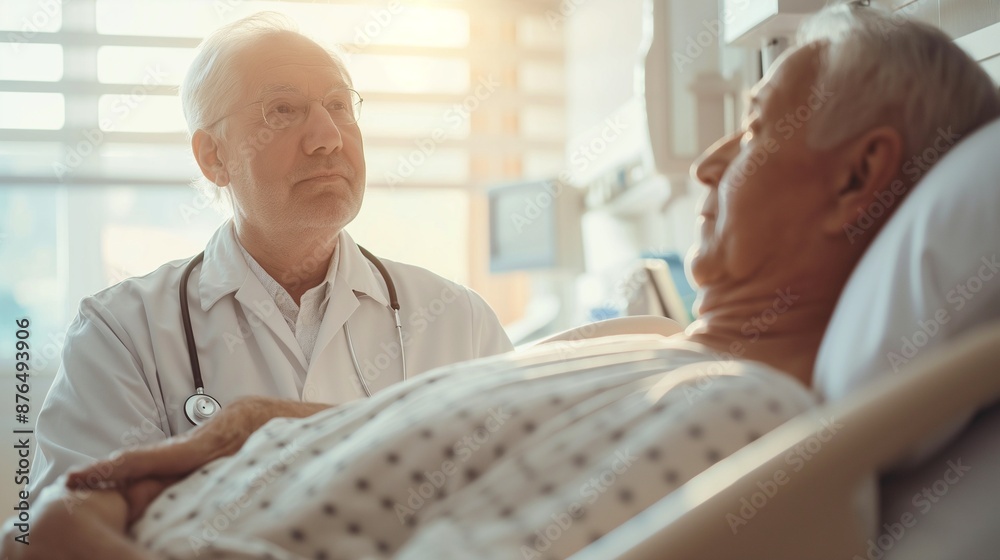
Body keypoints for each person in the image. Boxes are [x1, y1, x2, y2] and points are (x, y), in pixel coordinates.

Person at [7, 3, 1000, 559]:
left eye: (757, 119)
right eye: (280, 112)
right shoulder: (650, 352)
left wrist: (71, 545)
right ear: (210, 156)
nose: (705, 163)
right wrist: (260, 422)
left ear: (860, 178)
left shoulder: (729, 424)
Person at [28, 13, 513, 496]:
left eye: (339, 105)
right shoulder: (120, 333)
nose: (328, 137)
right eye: (283, 109)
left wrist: (268, 425)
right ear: (214, 157)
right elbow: (66, 528)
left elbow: (523, 493)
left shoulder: (459, 320)